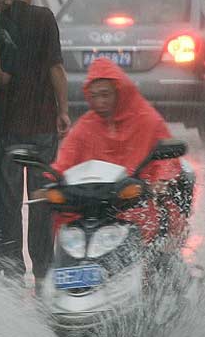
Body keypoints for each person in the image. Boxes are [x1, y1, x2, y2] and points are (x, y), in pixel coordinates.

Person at [50, 58, 184, 244]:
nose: (100, 102)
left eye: (105, 94)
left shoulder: (147, 120)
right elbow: (66, 159)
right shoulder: (87, 125)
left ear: (119, 91)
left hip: (135, 200)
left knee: (148, 221)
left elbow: (167, 161)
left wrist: (160, 181)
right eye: (94, 96)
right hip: (93, 206)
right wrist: (50, 181)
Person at [0, 0, 70, 282]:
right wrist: (63, 110)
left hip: (9, 125)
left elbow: (0, 77)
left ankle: (13, 266)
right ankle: (43, 267)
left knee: (9, 200)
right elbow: (56, 68)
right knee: (40, 199)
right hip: (42, 124)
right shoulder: (44, 18)